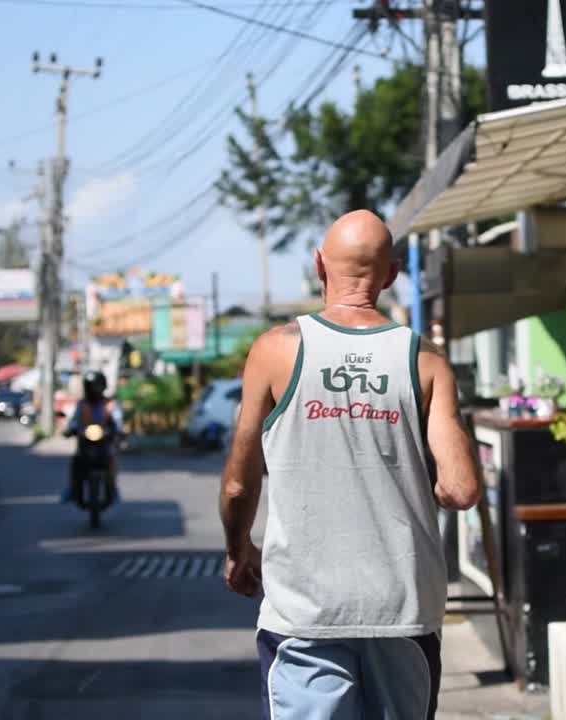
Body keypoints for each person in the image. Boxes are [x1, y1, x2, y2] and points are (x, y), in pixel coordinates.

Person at [220, 210, 482, 720]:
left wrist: (238, 548)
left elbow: (237, 484)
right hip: (404, 607)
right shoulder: (425, 360)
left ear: (320, 266)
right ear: (390, 275)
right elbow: (462, 487)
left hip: (304, 611)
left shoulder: (276, 351)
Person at [62, 371, 124, 506]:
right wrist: (70, 429)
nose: (93, 390)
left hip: (105, 441)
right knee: (76, 461)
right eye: (90, 387)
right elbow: (74, 420)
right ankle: (72, 489)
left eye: (96, 386)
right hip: (85, 441)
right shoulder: (82, 404)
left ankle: (113, 489)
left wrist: (119, 431)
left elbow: (118, 420)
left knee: (112, 459)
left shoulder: (110, 404)